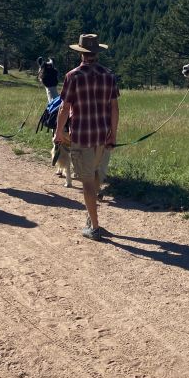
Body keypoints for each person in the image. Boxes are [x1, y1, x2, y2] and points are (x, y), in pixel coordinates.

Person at [55, 34, 119, 241]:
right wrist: (113, 134)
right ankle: (91, 219)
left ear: (81, 52)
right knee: (94, 175)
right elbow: (114, 108)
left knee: (87, 182)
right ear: (97, 52)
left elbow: (65, 108)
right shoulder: (109, 75)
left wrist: (58, 132)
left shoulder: (72, 76)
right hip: (101, 135)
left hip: (81, 136)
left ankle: (95, 227)